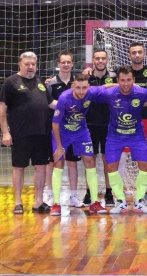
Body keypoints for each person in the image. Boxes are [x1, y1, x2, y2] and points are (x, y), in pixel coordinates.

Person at [91, 66, 147, 214]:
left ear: (134, 80)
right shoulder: (110, 93)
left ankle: (139, 201)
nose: (126, 84)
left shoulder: (142, 93)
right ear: (117, 81)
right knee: (111, 166)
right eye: (122, 80)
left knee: (145, 165)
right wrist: (110, 85)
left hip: (136, 135)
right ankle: (120, 201)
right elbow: (90, 91)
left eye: (129, 80)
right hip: (115, 136)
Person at [0, 51, 56, 214]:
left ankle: (38, 202)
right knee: (19, 167)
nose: (30, 67)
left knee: (41, 168)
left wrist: (72, 101)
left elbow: (51, 103)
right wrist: (5, 133)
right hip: (20, 134)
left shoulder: (40, 82)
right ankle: (18, 202)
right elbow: (2, 109)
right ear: (20, 64)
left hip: (41, 134)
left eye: (33, 64)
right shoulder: (11, 82)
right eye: (27, 64)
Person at [50, 73, 107, 215]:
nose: (81, 91)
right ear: (73, 86)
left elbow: (106, 87)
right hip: (63, 134)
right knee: (58, 162)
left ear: (88, 87)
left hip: (81, 132)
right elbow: (55, 124)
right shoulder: (64, 98)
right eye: (78, 88)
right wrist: (58, 146)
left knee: (90, 160)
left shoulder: (91, 91)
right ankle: (56, 204)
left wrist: (124, 85)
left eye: (84, 88)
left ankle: (94, 202)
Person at [46, 50, 84, 208]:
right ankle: (50, 194)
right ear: (58, 64)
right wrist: (67, 106)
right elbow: (48, 103)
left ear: (72, 64)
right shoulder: (50, 84)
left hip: (74, 129)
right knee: (54, 162)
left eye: (69, 62)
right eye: (63, 62)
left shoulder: (77, 83)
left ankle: (74, 196)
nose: (66, 64)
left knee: (72, 163)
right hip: (57, 130)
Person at [82, 49, 117, 207]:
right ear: (93, 60)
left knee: (107, 160)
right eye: (97, 58)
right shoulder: (86, 77)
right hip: (89, 124)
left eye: (103, 58)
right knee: (90, 159)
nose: (100, 61)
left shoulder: (114, 76)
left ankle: (109, 192)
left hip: (109, 124)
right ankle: (90, 191)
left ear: (107, 59)